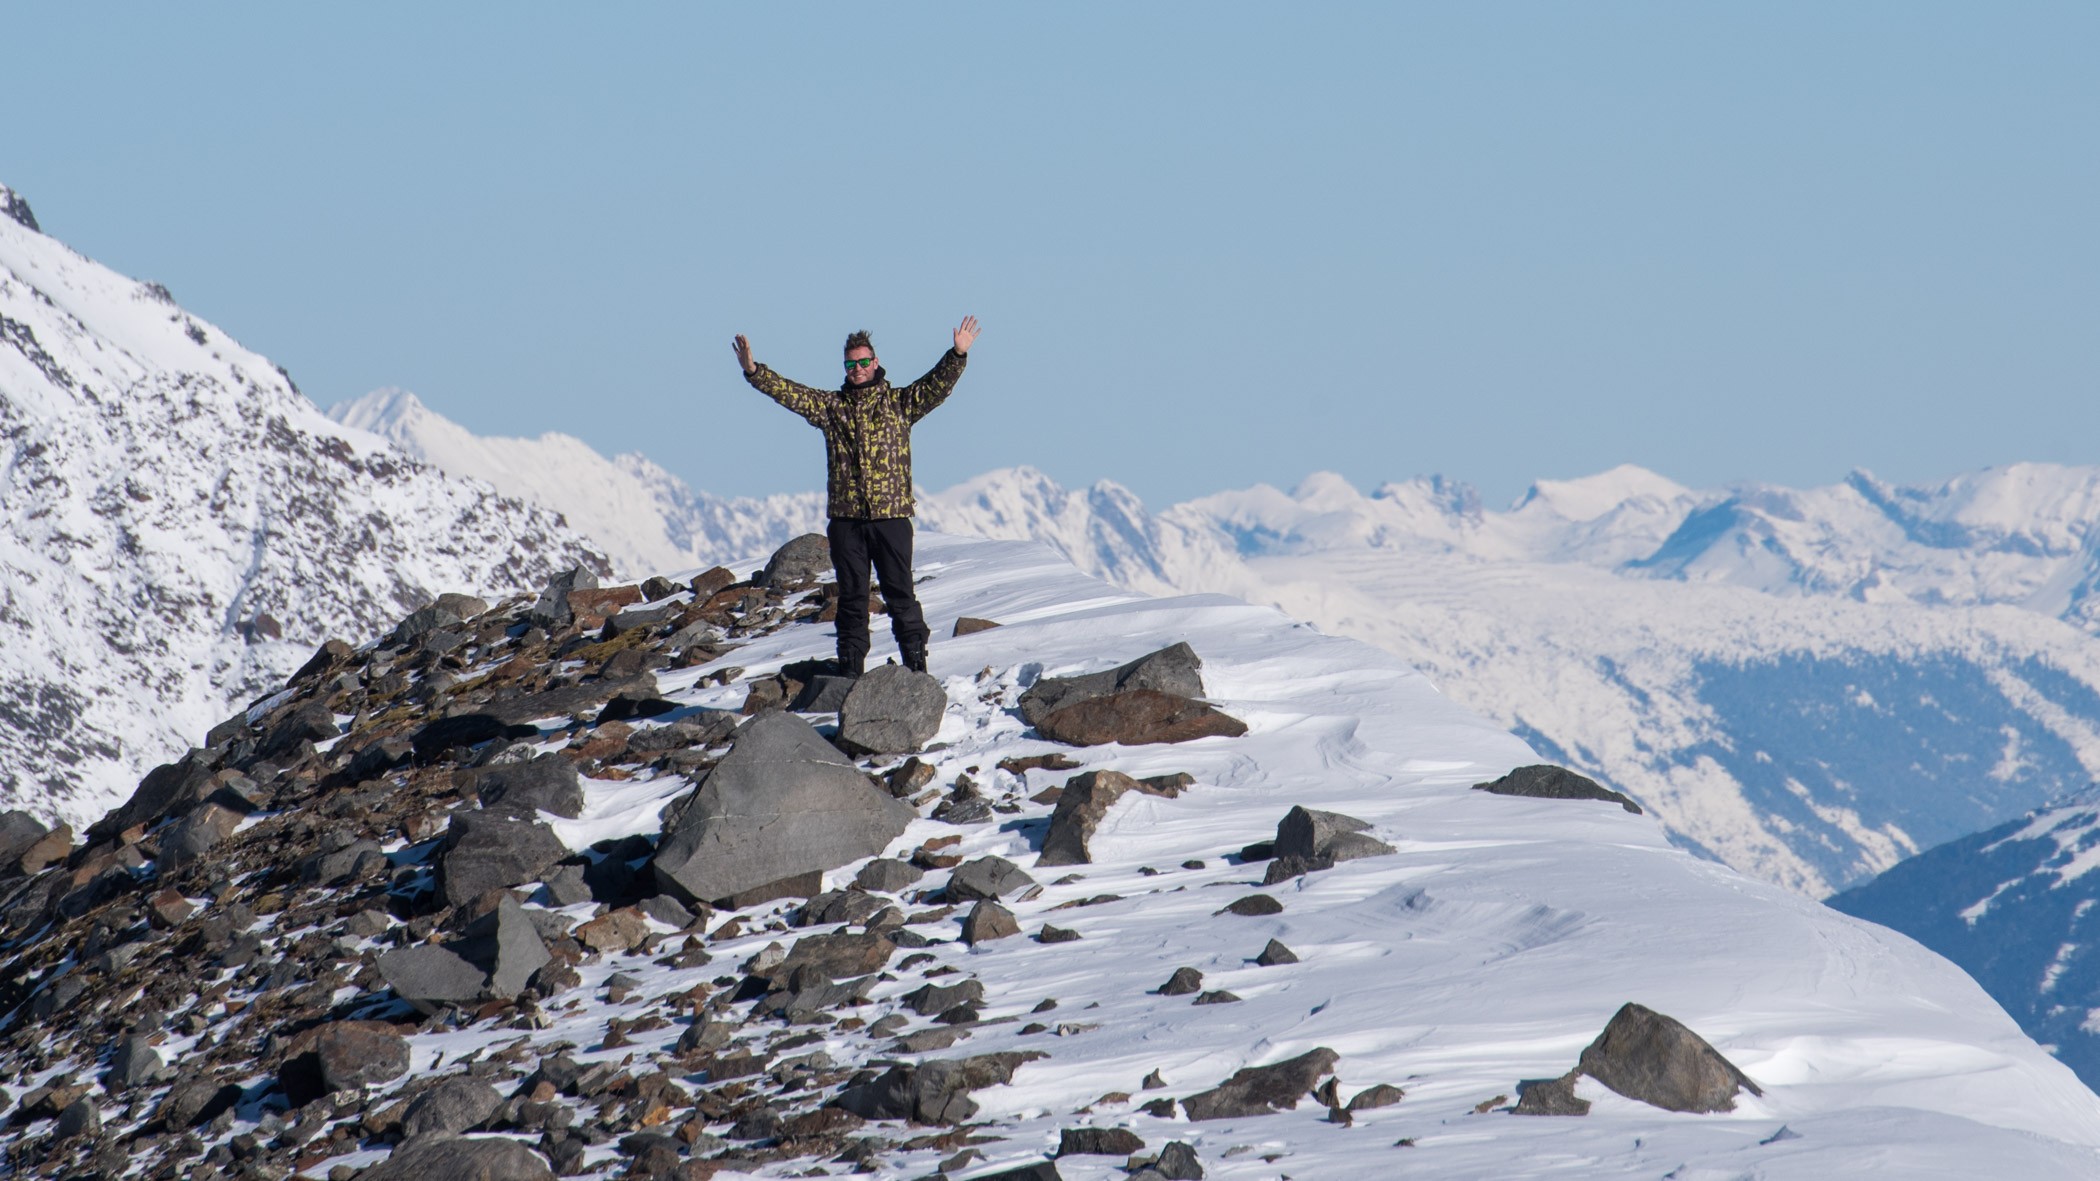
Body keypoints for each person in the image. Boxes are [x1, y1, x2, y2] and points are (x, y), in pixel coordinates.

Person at [733, 316, 980, 676]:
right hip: (847, 521)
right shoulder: (832, 408)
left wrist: (957, 354)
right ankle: (851, 672)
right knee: (851, 599)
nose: (858, 369)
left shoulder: (900, 403)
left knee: (900, 595)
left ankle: (916, 667)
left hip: (891, 519)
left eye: (864, 362)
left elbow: (935, 387)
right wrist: (754, 371)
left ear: (875, 363)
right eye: (851, 364)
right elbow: (791, 394)